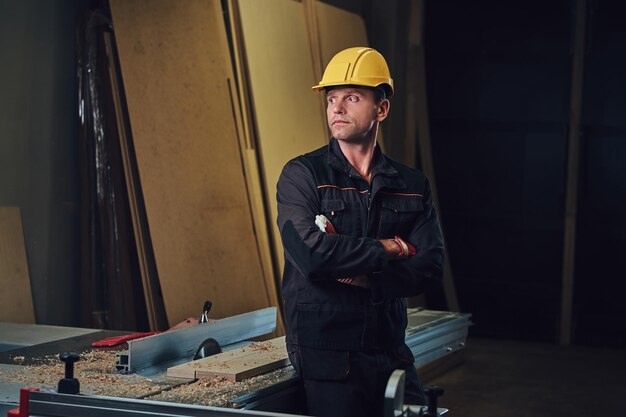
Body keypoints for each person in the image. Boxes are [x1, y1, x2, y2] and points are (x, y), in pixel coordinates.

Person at [276, 47, 445, 417]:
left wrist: (369, 279)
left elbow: (430, 265)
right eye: (331, 98)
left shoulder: (412, 183)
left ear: (381, 109)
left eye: (351, 98)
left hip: (390, 348)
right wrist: (389, 248)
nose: (336, 109)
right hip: (328, 355)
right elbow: (312, 257)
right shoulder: (302, 176)